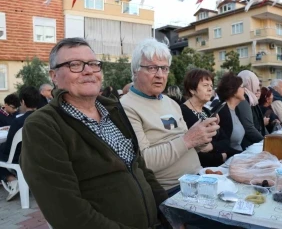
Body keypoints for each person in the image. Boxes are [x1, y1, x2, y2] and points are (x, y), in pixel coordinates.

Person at [20, 38, 169, 229]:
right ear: (54, 76)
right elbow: (67, 212)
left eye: (93, 64)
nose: (88, 70)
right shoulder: (43, 125)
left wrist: (169, 213)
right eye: (75, 65)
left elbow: (141, 169)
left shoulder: (114, 110)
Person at [120, 38, 218, 195]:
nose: (160, 75)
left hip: (199, 179)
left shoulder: (171, 103)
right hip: (172, 191)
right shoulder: (126, 107)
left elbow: (185, 142)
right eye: (152, 68)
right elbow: (142, 162)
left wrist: (202, 137)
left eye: (164, 68)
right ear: (135, 71)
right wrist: (189, 139)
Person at [181, 68, 239, 166]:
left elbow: (225, 140)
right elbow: (194, 152)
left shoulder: (207, 111)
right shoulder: (183, 112)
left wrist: (212, 146)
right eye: (205, 85)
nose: (210, 89)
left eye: (211, 86)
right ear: (192, 89)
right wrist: (221, 156)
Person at [0, 86, 40, 201]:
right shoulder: (45, 117)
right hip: (39, 155)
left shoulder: (18, 121)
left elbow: (9, 148)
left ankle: (12, 179)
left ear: (22, 101)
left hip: (20, 157)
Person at [236, 70, 266, 149]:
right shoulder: (243, 99)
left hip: (253, 143)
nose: (257, 86)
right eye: (255, 82)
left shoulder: (251, 98)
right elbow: (249, 127)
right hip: (249, 145)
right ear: (249, 82)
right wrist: (265, 142)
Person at [216, 72, 246, 152]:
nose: (244, 89)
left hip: (239, 154)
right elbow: (224, 145)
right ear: (234, 91)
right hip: (230, 158)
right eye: (242, 87)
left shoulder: (235, 109)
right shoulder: (222, 112)